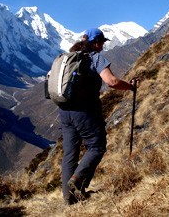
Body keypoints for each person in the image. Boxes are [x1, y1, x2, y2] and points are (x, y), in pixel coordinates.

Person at [59, 28, 139, 205]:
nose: (103, 45)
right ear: (96, 43)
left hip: (64, 112)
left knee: (70, 154)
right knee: (97, 146)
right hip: (84, 111)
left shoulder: (68, 57)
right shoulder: (94, 57)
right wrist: (130, 87)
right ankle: (77, 180)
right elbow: (111, 81)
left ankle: (68, 199)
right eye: (102, 42)